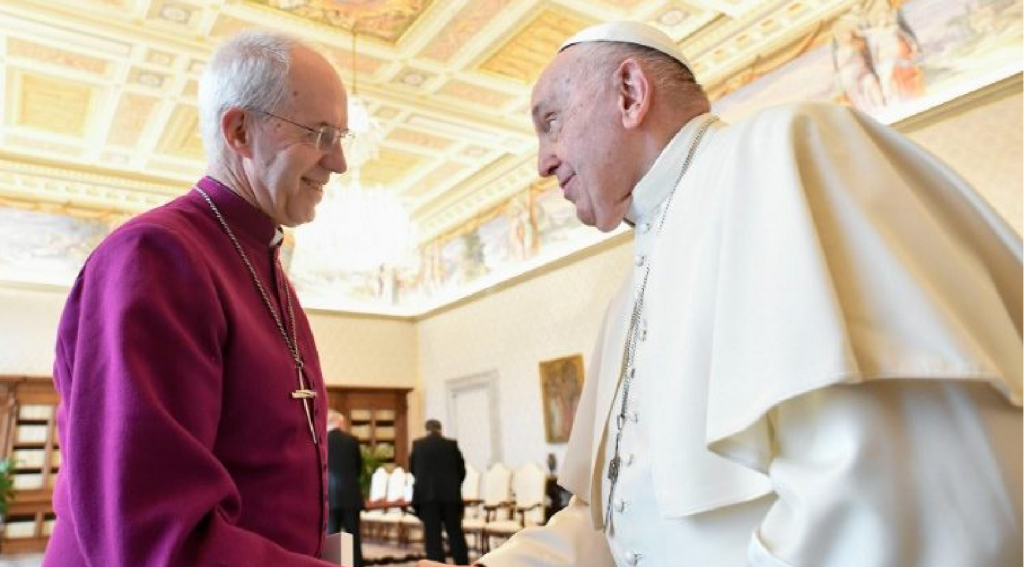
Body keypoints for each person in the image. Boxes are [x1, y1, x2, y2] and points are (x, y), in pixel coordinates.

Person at [420, 20, 1024, 567]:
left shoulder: (781, 151)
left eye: (550, 122)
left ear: (629, 94)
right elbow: (615, 523)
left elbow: (895, 493)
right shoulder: (627, 296)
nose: (542, 163)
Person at [45, 30, 350, 567]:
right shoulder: (156, 256)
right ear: (240, 130)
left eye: (342, 137)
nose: (340, 162)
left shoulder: (266, 266)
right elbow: (155, 542)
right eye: (322, 134)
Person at [410, 419, 470, 564]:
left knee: (433, 537)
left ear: (426, 430)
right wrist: (453, 485)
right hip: (450, 497)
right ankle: (462, 564)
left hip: (428, 497)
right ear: (440, 429)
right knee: (455, 534)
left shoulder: (418, 445)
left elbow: (413, 469)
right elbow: (462, 471)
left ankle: (437, 564)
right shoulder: (451, 445)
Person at [327, 411, 365, 566]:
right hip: (350, 494)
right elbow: (358, 467)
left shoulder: (322, 440)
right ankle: (356, 564)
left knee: (331, 536)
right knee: (353, 534)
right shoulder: (352, 440)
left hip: (329, 495)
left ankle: (332, 564)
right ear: (341, 423)